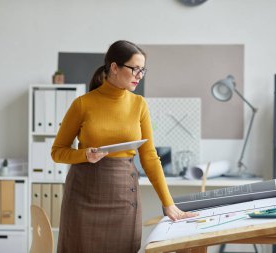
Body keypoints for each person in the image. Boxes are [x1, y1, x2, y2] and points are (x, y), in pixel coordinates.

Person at [51, 40, 198, 253]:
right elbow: (57, 152)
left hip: (123, 199)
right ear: (114, 67)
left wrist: (168, 203)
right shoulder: (83, 104)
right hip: (83, 197)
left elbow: (149, 156)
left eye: (142, 70)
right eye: (135, 69)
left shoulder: (139, 104)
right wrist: (84, 155)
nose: (139, 75)